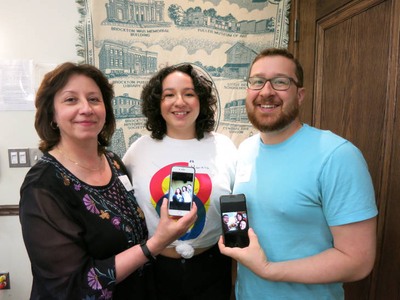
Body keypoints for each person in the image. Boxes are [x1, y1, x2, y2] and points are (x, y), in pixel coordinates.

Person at [19, 62, 197, 300]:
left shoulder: (113, 162)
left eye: (94, 99)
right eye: (71, 100)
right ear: (52, 115)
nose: (86, 108)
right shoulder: (42, 186)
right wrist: (155, 244)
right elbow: (72, 286)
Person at [218, 48, 378, 300]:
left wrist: (269, 270)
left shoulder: (337, 156)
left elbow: (357, 261)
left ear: (300, 94)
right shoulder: (246, 149)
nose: (266, 91)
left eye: (281, 81)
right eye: (257, 81)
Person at [123, 64, 237, 299]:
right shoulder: (138, 150)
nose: (179, 102)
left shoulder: (223, 147)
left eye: (189, 93)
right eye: (169, 95)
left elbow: (236, 207)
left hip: (213, 268)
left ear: (201, 101)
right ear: (157, 103)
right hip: (153, 268)